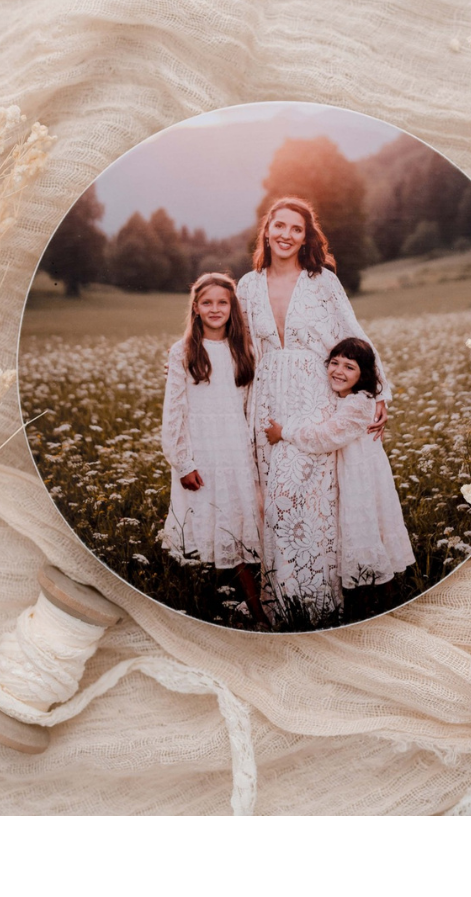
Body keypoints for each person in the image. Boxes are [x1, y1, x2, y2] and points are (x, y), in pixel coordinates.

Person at [236, 197, 390, 628]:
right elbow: (241, 349)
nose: (286, 234)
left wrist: (379, 393)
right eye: (279, 225)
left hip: (314, 398)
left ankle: (322, 606)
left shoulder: (322, 281)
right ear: (267, 230)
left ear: (307, 237)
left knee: (314, 503)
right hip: (266, 401)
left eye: (296, 229)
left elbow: (353, 334)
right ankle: (283, 607)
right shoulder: (248, 285)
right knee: (274, 502)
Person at [264, 338, 415, 620]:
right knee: (360, 534)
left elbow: (326, 436)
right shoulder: (346, 399)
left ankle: (382, 607)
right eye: (334, 363)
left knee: (366, 532)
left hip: (362, 481)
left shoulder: (359, 404)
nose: (338, 371)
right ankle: (367, 603)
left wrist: (284, 432)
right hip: (353, 476)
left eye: (349, 367)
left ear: (364, 375)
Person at [159, 273, 265, 622]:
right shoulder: (184, 352)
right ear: (196, 307)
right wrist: (182, 462)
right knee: (203, 527)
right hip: (201, 453)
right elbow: (174, 412)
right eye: (207, 302)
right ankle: (196, 606)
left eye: (223, 302)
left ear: (233, 307)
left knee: (236, 525)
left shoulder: (244, 351)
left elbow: (250, 409)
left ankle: (255, 607)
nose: (215, 308)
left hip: (235, 452)